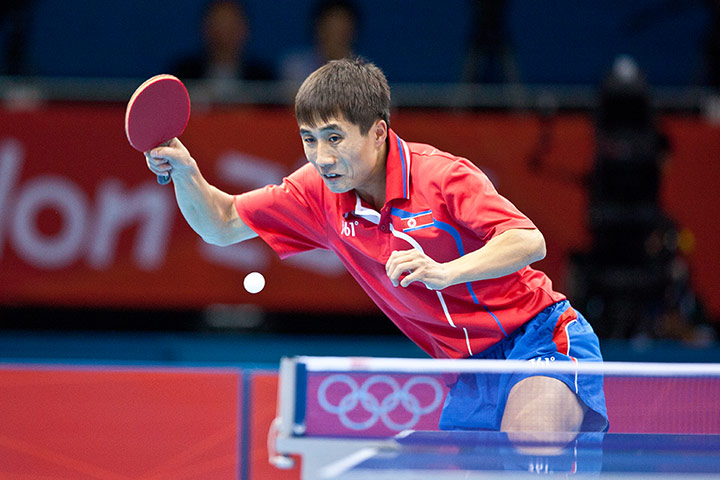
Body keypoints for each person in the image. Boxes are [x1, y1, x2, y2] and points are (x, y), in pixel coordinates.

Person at [145, 58, 608, 433]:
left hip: (539, 337)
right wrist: (186, 173)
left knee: (533, 445)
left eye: (334, 138)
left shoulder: (442, 176)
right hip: (469, 371)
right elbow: (221, 223)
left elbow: (529, 240)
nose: (321, 157)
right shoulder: (316, 193)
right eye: (309, 139)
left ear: (379, 132)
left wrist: (447, 272)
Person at [171, 0, 274, 83]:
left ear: (245, 30)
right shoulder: (183, 74)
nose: (224, 35)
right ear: (204, 29)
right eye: (218, 26)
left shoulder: (263, 78)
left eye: (231, 26)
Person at [278, 0, 358, 84]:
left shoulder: (364, 72)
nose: (335, 38)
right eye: (330, 30)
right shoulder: (294, 66)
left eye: (341, 33)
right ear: (318, 29)